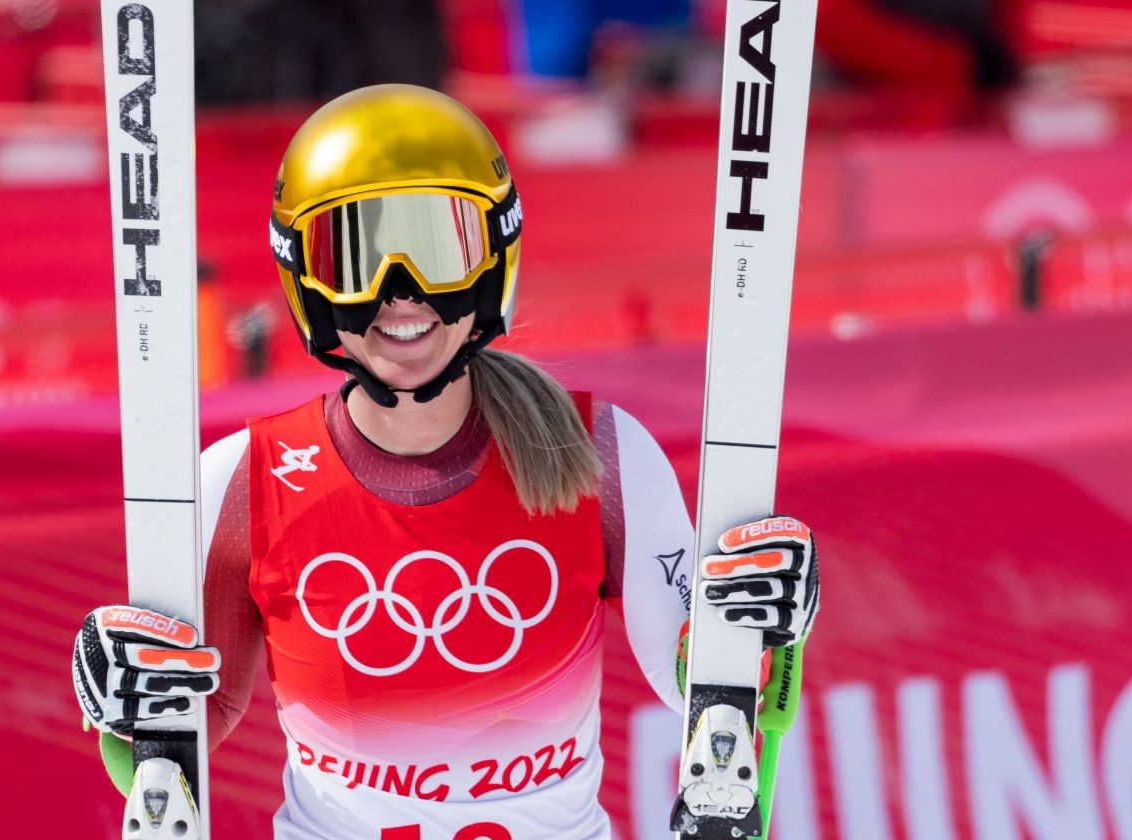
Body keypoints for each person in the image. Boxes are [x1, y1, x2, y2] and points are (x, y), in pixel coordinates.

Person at [71, 84, 821, 840]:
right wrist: (123, 705)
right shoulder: (244, 482)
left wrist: (756, 634)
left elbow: (703, 687)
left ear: (493, 255)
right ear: (306, 277)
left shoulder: (598, 453)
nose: (400, 294)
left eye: (438, 249)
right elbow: (180, 739)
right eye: (355, 258)